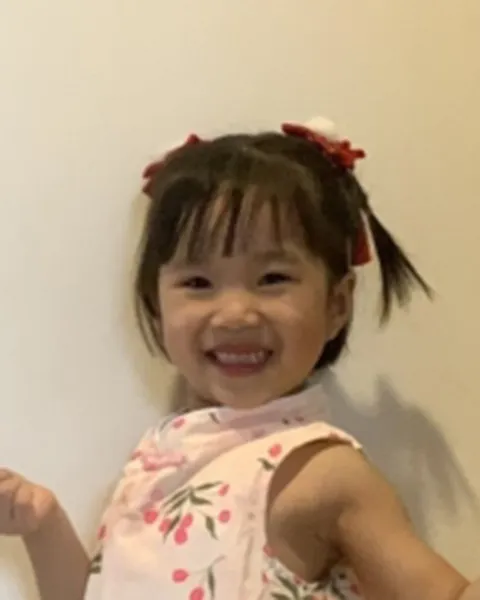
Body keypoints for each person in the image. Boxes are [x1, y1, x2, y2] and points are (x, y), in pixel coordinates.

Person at [0, 116, 478, 600]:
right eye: (198, 282)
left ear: (337, 304)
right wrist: (44, 526)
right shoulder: (158, 462)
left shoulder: (323, 474)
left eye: (272, 279)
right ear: (156, 307)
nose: (234, 314)